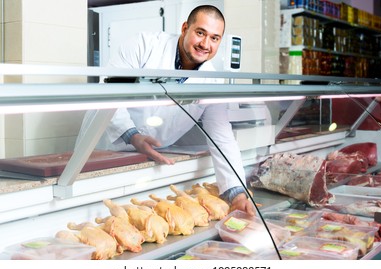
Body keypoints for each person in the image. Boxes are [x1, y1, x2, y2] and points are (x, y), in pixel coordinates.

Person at [77, 5, 255, 215]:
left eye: (214, 38)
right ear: (184, 28)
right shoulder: (144, 45)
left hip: (153, 159)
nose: (205, 44)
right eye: (200, 33)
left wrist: (237, 193)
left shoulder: (212, 79)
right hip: (106, 149)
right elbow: (108, 92)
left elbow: (221, 136)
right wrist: (132, 135)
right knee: (95, 211)